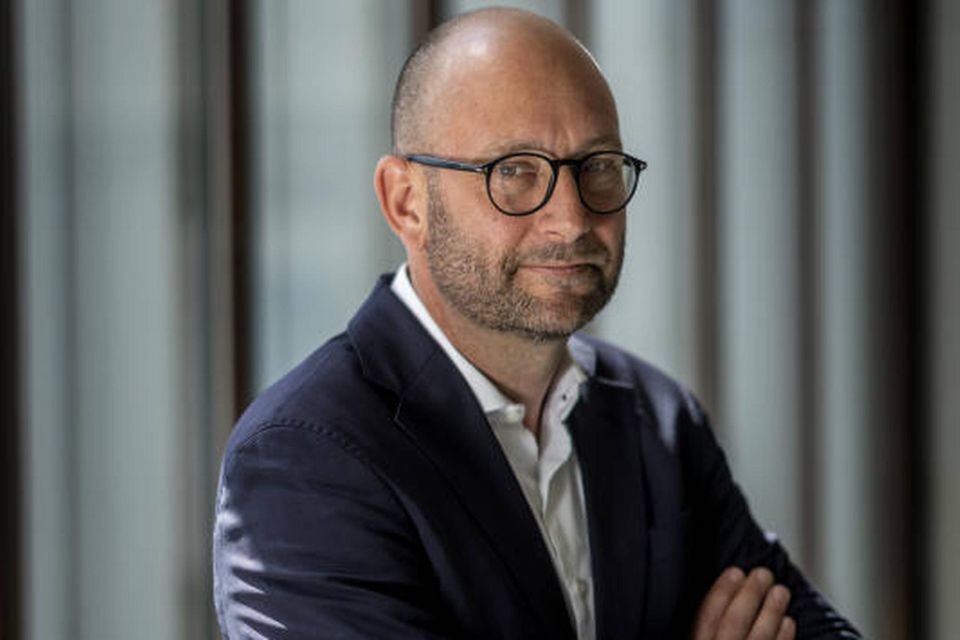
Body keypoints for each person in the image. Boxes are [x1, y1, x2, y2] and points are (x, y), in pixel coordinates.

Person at [213, 8, 860, 640]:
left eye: (597, 165)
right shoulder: (304, 459)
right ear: (406, 202)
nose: (572, 218)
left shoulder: (657, 419)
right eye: (515, 172)